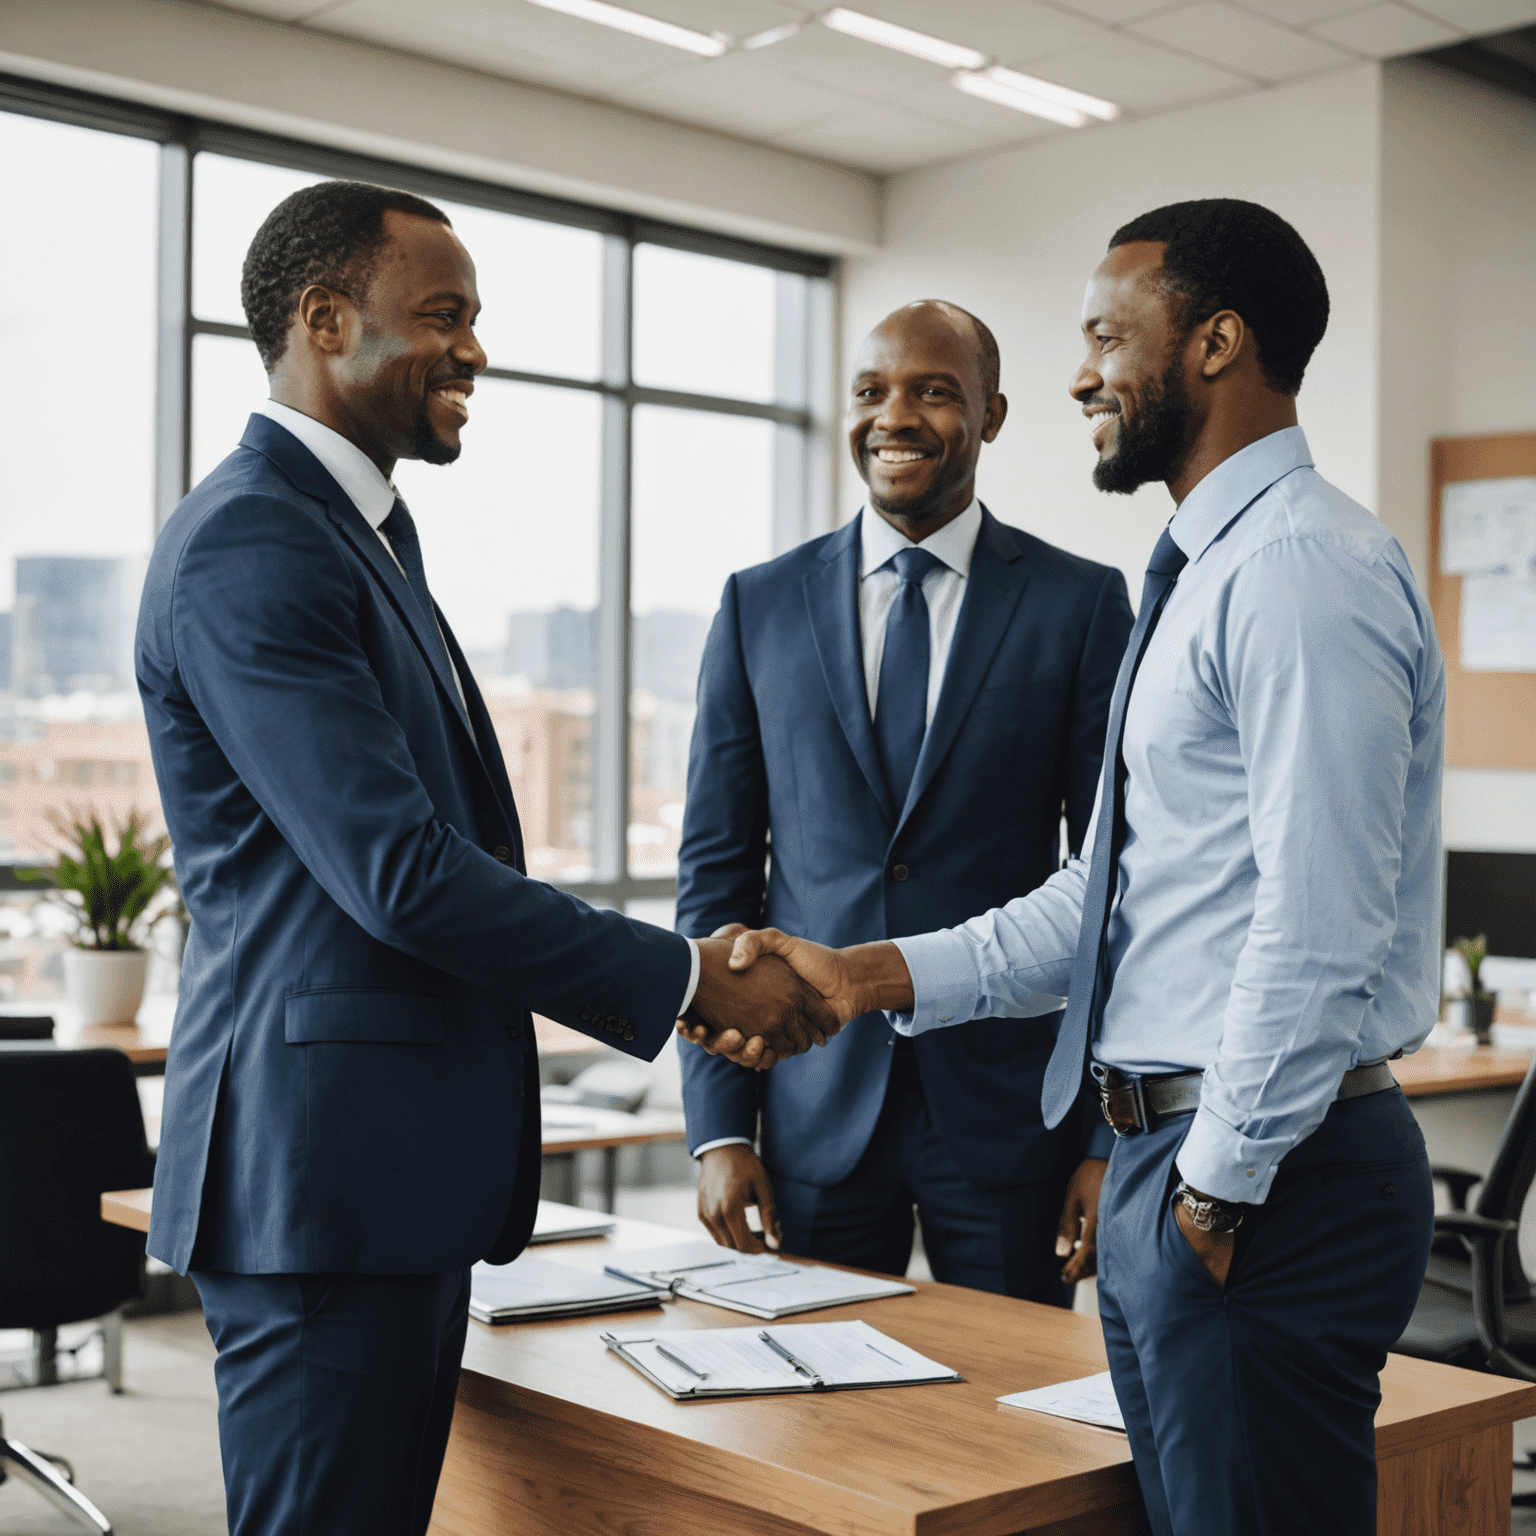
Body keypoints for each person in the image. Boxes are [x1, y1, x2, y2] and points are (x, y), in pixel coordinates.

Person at [686, 199, 1443, 1536]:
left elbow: (1319, 928)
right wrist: (864, 977)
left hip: (1253, 1171)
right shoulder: (1202, 575)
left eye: (1107, 334)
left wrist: (1210, 1192)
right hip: (1188, 1164)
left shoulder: (1301, 569)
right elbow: (1098, 899)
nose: (1087, 371)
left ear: (1214, 344)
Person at [136, 180, 832, 1536]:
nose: (475, 350)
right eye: (442, 316)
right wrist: (691, 976)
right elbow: (399, 871)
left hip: (375, 1187)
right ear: (325, 321)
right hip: (318, 1191)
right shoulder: (255, 539)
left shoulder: (361, 536)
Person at [677, 300, 1132, 1301]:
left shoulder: (1080, 603)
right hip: (809, 1102)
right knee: (812, 1418)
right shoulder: (760, 604)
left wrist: (1106, 1138)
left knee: (1015, 1418)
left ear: (993, 414)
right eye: (872, 391)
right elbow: (717, 878)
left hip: (1012, 1117)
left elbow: (1114, 889)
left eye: (934, 391)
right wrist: (718, 1126)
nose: (897, 417)